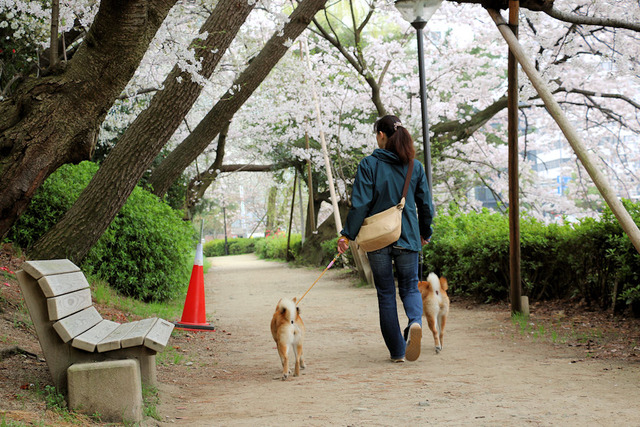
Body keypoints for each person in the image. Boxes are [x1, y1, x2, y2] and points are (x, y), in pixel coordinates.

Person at [337, 114, 433, 363]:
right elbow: (426, 205)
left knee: (386, 293)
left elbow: (360, 205)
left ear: (381, 135)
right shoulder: (415, 166)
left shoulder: (369, 164)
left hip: (378, 238)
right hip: (408, 234)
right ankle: (414, 322)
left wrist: (347, 235)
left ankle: (398, 351)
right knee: (410, 285)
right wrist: (425, 232)